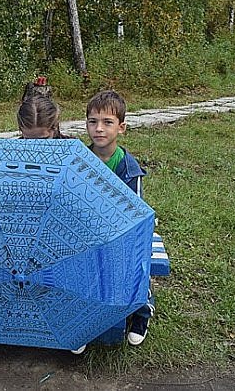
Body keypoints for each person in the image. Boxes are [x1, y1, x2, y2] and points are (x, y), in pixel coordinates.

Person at [85, 89, 154, 347]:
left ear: (121, 128)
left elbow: (135, 211)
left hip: (122, 233)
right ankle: (84, 322)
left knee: (135, 265)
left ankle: (141, 313)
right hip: (87, 232)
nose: (99, 129)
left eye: (107, 122)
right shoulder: (80, 158)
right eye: (93, 122)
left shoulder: (128, 166)